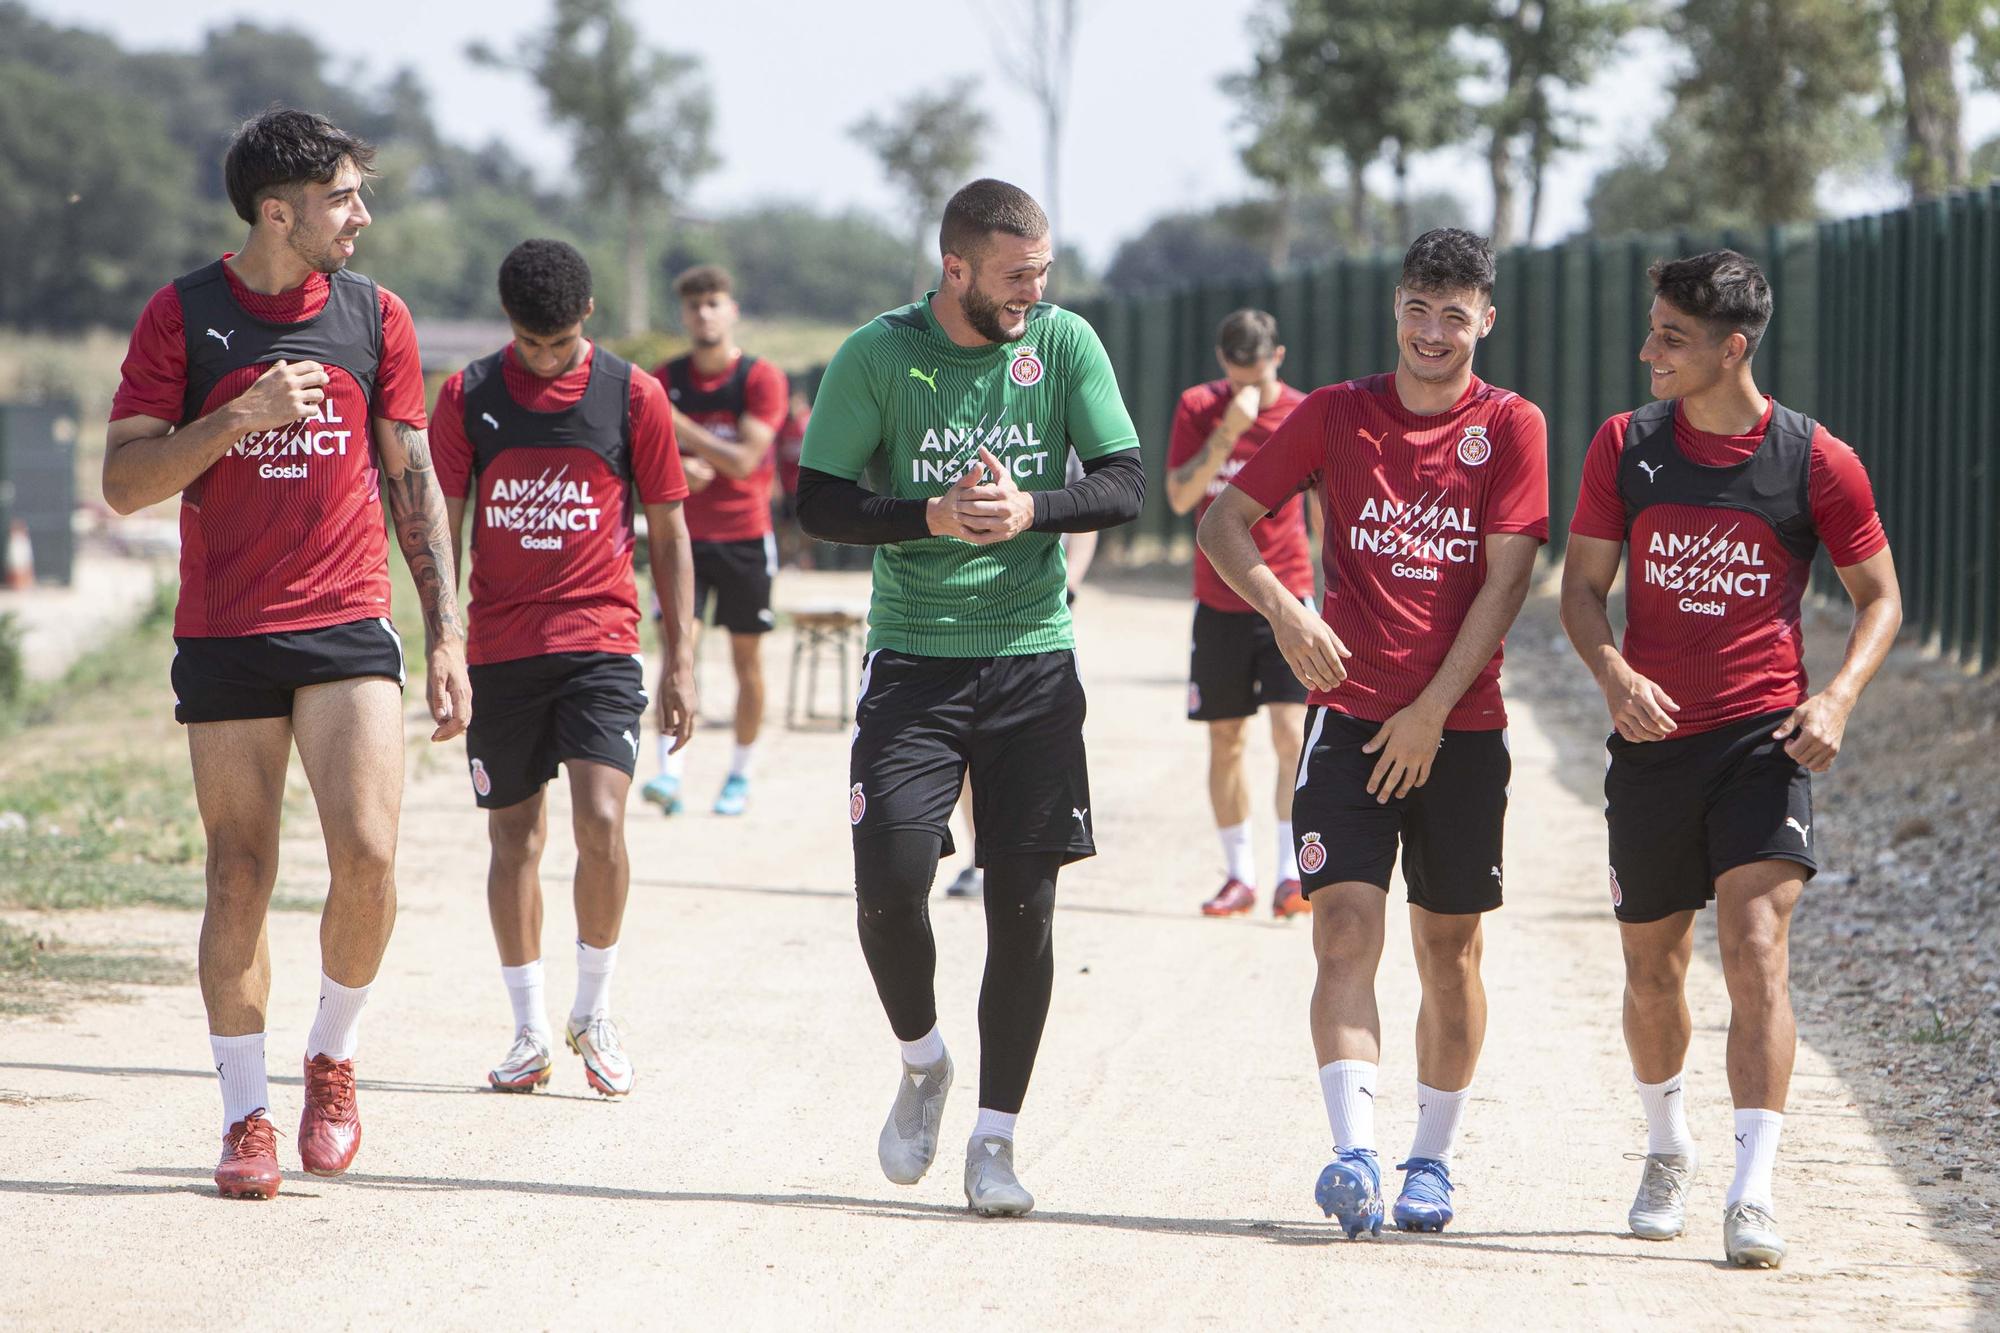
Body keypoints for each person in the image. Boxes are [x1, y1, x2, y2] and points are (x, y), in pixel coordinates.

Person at [102, 108, 470, 1199]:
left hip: (347, 618)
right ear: (279, 210)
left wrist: (446, 633)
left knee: (367, 854)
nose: (361, 214)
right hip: (223, 630)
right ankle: (246, 1115)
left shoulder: (375, 315)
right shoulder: (182, 318)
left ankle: (331, 1056)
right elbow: (123, 486)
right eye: (343, 196)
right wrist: (239, 416)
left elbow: (412, 477)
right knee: (239, 872)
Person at [794, 178, 1144, 1216]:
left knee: (1022, 905)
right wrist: (931, 518)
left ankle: (994, 1143)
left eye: (1041, 272)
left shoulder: (1064, 345)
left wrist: (1032, 504)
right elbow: (816, 501)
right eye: (1013, 277)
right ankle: (922, 1060)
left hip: (1033, 658)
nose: (1033, 292)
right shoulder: (878, 353)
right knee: (891, 879)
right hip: (913, 655)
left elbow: (1124, 480)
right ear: (955, 269)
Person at [1198, 229, 1548, 1238]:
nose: (1432, 332)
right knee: (1342, 926)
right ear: (1393, 307)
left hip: (1458, 728)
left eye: (1454, 314)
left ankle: (1428, 1162)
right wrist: (1285, 611)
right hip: (1348, 721)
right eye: (1416, 309)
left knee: (1450, 951)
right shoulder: (1335, 413)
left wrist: (1431, 712)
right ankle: (1351, 1152)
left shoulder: (1509, 425)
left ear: (1484, 319)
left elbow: (1507, 578)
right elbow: (1222, 525)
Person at [1559, 250, 1900, 1269]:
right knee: (1650, 967)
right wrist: (1612, 672)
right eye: (1651, 330)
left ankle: (1751, 1193)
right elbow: (1578, 590)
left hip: (1762, 739)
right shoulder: (1625, 445)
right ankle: (1666, 1149)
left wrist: (1836, 696)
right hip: (1651, 746)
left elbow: (1879, 597)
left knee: (1755, 946)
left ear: (1730, 348)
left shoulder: (1812, 460)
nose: (1646, 351)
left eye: (1669, 337)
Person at [432, 239, 696, 1098]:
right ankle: (528, 1030)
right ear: (509, 324)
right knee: (515, 838)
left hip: (601, 644)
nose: (543, 361)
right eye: (527, 343)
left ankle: (596, 1008)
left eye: (557, 344)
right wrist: (443, 644)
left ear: (587, 317)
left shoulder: (633, 396)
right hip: (500, 652)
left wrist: (682, 657)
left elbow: (669, 530)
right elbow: (440, 528)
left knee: (604, 821)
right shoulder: (467, 395)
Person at [1165, 309, 1313, 919]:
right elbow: (1178, 497)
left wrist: (1331, 600)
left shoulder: (1303, 412)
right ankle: (1240, 874)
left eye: (1262, 371)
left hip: (1287, 596)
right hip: (1219, 599)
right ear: (1224, 363)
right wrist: (1226, 433)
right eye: (1240, 373)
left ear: (1278, 356)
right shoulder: (1199, 406)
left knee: (1291, 735)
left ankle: (1289, 874)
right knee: (1226, 739)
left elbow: (1330, 509)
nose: (1253, 385)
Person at [641, 266, 790, 817]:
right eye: (695, 305)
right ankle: (670, 773)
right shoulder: (665, 376)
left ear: (732, 311)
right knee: (677, 650)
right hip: (681, 540)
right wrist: (679, 466)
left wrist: (677, 425)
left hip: (745, 538)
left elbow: (746, 459)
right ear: (683, 315)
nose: (704, 313)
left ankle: (738, 775)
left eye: (714, 303)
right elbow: (643, 460)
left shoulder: (760, 378)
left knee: (746, 661)